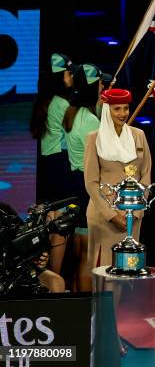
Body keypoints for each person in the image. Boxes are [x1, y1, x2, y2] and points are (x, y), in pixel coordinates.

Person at [84, 88, 152, 274]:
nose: (123, 114)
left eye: (126, 108)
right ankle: (104, 304)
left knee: (129, 268)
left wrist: (135, 212)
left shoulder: (139, 135)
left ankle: (127, 304)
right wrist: (112, 216)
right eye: (117, 109)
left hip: (133, 215)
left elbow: (145, 175)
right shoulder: (94, 139)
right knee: (104, 269)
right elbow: (91, 182)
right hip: (103, 216)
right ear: (107, 110)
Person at [30, 53, 75, 275]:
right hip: (59, 165)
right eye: (68, 73)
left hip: (46, 167)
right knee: (60, 224)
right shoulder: (62, 104)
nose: (71, 77)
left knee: (49, 221)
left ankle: (46, 276)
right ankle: (54, 280)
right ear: (60, 77)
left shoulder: (44, 102)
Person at [64, 63, 103, 292]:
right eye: (99, 83)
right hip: (86, 187)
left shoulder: (73, 112)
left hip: (75, 184)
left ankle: (78, 307)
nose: (102, 86)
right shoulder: (89, 121)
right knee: (88, 259)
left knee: (79, 255)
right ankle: (87, 311)